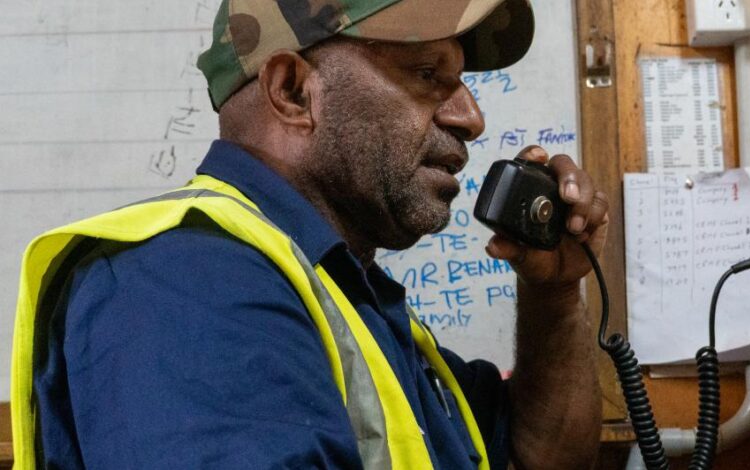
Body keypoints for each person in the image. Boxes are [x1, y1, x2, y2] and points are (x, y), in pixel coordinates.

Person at [10, 0, 606, 468]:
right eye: (427, 74)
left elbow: (544, 455)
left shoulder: (341, 296)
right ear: (293, 92)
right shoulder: (191, 288)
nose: (470, 118)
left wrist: (553, 293)